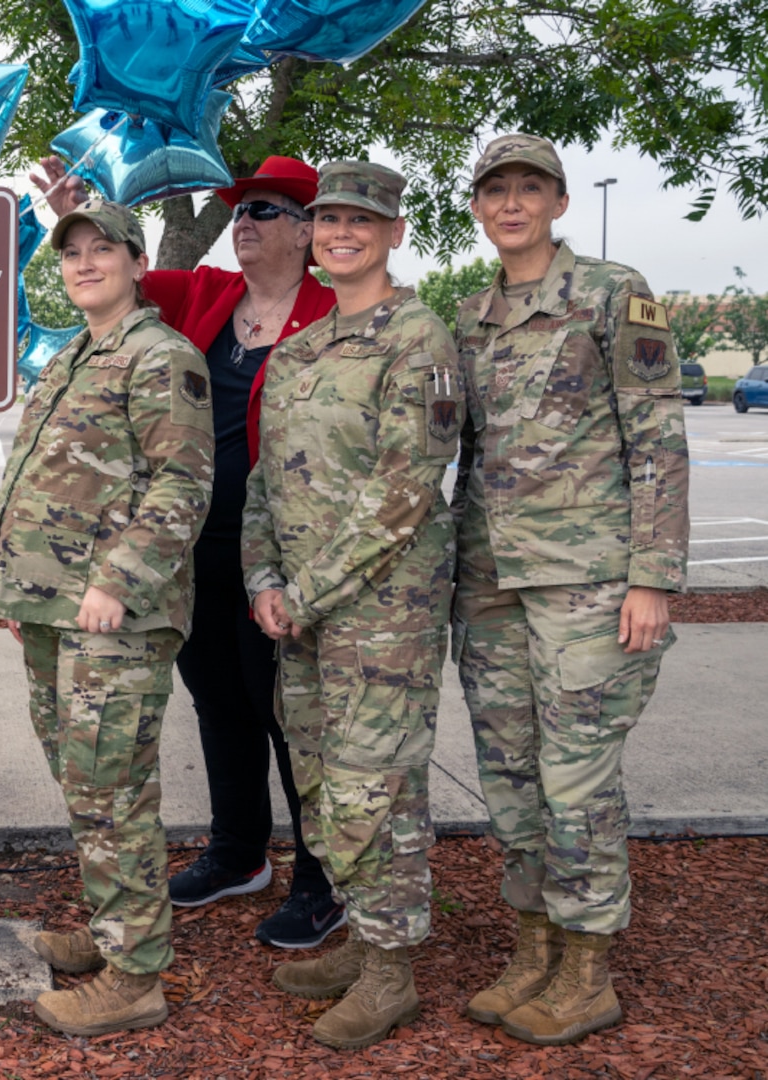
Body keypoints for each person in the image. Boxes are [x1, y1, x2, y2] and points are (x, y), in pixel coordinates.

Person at [34, 155, 341, 943]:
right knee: (220, 702)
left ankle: (321, 875)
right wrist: (76, 210)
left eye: (265, 211)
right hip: (198, 546)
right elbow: (109, 277)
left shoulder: (336, 314)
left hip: (287, 551)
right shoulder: (207, 294)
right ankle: (239, 850)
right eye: (240, 211)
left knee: (290, 715)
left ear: (307, 231)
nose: (244, 222)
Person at [451, 135, 688, 1046]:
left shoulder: (610, 292)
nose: (512, 204)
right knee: (509, 775)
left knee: (577, 775)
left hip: (591, 580)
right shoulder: (472, 316)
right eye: (495, 190)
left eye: (530, 189)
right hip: (492, 582)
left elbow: (657, 439)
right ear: (478, 207)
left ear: (556, 201)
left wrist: (653, 578)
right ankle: (534, 942)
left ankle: (589, 967)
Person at [0, 196, 214, 1036]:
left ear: (137, 262)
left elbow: (183, 485)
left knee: (112, 791)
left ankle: (136, 978)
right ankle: (116, 929)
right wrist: (14, 589)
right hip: (55, 614)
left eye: (100, 249)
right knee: (86, 785)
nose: (82, 261)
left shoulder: (160, 358)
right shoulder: (76, 353)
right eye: (70, 250)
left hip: (113, 619)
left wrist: (117, 579)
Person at [242, 162, 464, 1050]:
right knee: (323, 783)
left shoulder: (419, 340)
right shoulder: (299, 349)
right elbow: (264, 484)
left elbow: (405, 489)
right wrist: (263, 580)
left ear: (394, 233)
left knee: (379, 788)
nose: (342, 233)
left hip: (383, 614)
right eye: (329, 218)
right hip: (301, 613)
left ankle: (389, 974)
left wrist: (304, 591)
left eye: (360, 221)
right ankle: (359, 934)